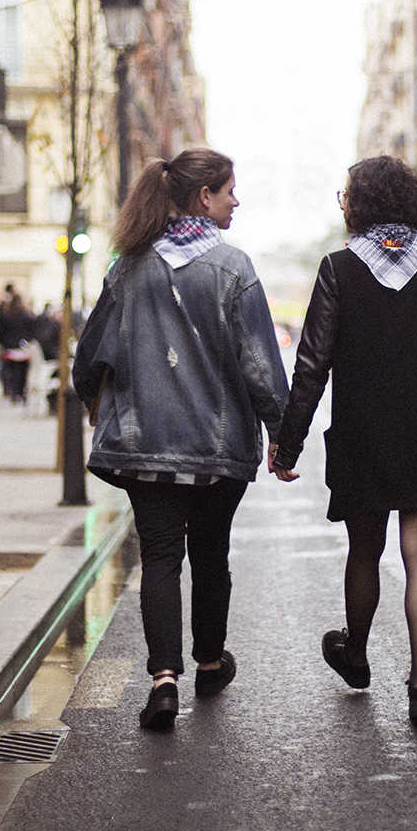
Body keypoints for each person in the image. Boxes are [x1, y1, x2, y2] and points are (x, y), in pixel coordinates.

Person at [72, 148, 288, 732]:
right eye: (229, 191)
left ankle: (163, 681)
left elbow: (90, 355)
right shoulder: (233, 268)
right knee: (211, 553)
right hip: (219, 450)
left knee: (161, 559)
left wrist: (93, 401)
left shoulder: (127, 268)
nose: (236, 201)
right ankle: (210, 663)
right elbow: (260, 364)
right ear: (203, 197)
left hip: (145, 445)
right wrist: (281, 435)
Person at [269, 155, 417, 727]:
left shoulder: (338, 268)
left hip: (363, 433)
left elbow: (311, 365)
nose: (342, 203)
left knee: (364, 550)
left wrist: (287, 444)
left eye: (346, 195)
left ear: (360, 204)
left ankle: (357, 653)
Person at [0, 286, 36, 404]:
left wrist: (1, 343)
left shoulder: (6, 314)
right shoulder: (26, 315)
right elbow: (32, 330)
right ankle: (21, 392)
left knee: (11, 371)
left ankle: (13, 393)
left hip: (9, 347)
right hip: (22, 347)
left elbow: (0, 331)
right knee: (22, 371)